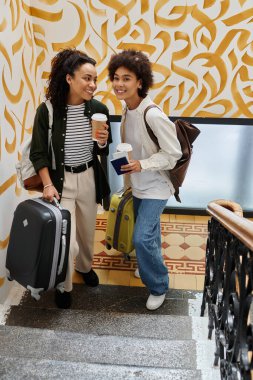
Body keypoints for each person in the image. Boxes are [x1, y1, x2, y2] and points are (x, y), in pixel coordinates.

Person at [30, 48, 111, 309]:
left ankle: (86, 268)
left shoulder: (99, 109)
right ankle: (64, 286)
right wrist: (47, 183)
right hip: (61, 180)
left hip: (88, 175)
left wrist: (102, 142)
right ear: (69, 79)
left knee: (87, 232)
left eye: (95, 79)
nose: (93, 85)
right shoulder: (48, 111)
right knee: (66, 238)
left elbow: (103, 151)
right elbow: (38, 152)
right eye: (87, 78)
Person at [108, 50, 182, 310]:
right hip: (138, 183)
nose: (119, 84)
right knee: (149, 234)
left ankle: (159, 284)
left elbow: (174, 154)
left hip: (157, 186)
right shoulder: (127, 108)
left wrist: (142, 164)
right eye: (116, 78)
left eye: (126, 78)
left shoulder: (152, 114)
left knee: (141, 238)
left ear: (140, 82)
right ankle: (147, 264)